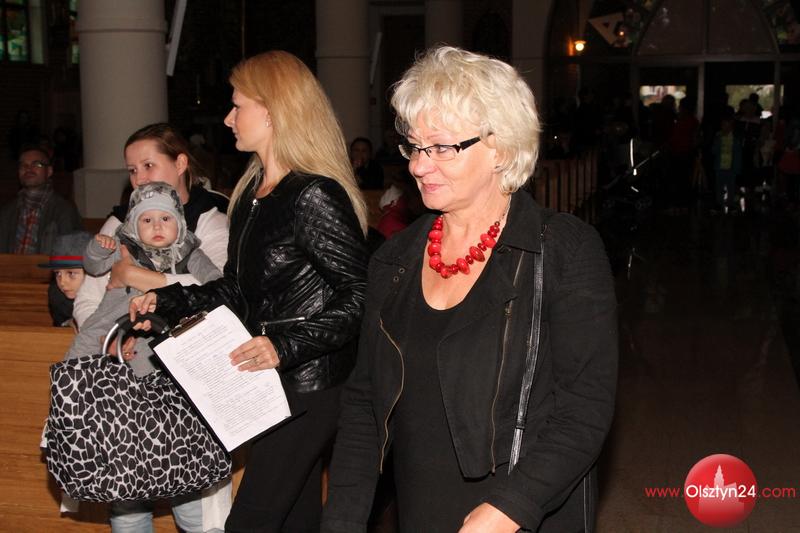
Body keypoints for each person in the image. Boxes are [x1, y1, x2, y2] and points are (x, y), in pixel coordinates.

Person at [321, 46, 618, 533]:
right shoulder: (394, 261)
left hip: (521, 513)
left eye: (441, 147)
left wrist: (509, 509)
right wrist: (341, 521)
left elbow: (584, 408)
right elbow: (364, 404)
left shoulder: (562, 250)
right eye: (414, 146)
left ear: (500, 148)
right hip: (421, 508)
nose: (418, 166)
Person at [130, 50, 370, 532]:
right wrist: (169, 299)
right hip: (270, 382)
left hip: (311, 384)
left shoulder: (312, 194)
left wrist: (284, 346)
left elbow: (360, 294)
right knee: (294, 519)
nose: (228, 118)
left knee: (251, 521)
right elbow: (238, 290)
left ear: (274, 111)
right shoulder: (252, 192)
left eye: (238, 106)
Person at [71, 123, 230, 532]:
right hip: (121, 378)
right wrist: (108, 340)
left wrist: (136, 277)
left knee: (190, 492)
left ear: (181, 163)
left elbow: (219, 290)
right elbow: (89, 295)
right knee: (126, 492)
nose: (139, 178)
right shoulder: (121, 223)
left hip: (185, 374)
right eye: (132, 170)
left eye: (148, 165)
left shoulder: (211, 220)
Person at [65, 181, 222, 372]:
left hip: (158, 324)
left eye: (166, 218)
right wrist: (98, 249)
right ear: (134, 226)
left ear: (180, 223)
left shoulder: (190, 253)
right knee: (84, 347)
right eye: (147, 220)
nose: (157, 227)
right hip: (110, 318)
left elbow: (215, 282)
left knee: (148, 363)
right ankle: (72, 384)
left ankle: (144, 390)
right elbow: (93, 268)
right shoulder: (124, 246)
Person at [0, 146, 82, 254]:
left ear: (49, 171)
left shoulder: (63, 209)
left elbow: (70, 252)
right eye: (23, 165)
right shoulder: (7, 211)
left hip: (47, 265)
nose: (28, 169)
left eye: (37, 164)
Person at [37, 230, 92, 328]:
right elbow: (60, 323)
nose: (62, 282)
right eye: (58, 273)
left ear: (91, 274)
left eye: (71, 274)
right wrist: (68, 323)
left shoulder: (105, 294)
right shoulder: (56, 295)